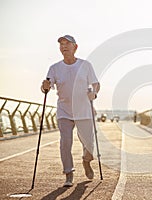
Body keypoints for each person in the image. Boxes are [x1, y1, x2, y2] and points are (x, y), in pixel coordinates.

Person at [41, 35, 100, 187]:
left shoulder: (85, 65)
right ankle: (68, 173)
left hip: (84, 110)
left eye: (67, 44)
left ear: (75, 47)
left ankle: (87, 161)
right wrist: (45, 86)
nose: (64, 46)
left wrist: (93, 92)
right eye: (61, 44)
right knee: (65, 142)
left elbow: (95, 84)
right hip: (64, 111)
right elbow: (47, 86)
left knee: (89, 145)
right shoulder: (54, 68)